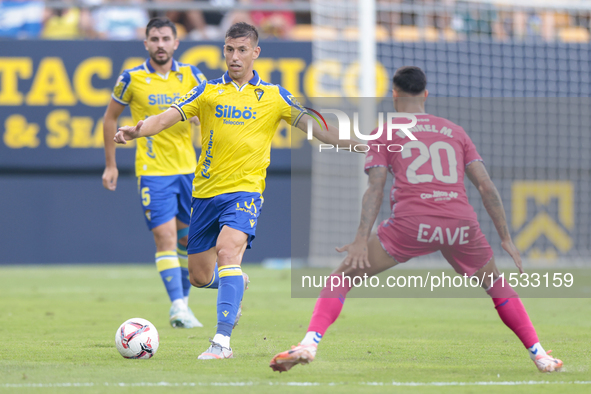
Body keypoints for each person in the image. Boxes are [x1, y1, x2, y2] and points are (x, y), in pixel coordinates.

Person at [269, 66, 563, 373]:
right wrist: (505, 237)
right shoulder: (455, 131)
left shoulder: (386, 132)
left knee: (341, 278)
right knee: (496, 285)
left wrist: (359, 239)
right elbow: (486, 186)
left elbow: (376, 188)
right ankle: (540, 354)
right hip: (459, 223)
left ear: (394, 94)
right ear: (425, 94)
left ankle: (309, 344)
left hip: (412, 224)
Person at [113, 22, 358, 359]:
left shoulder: (274, 96)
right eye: (229, 49)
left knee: (229, 253)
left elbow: (319, 131)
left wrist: (364, 145)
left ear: (255, 53)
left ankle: (221, 343)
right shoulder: (208, 91)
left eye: (242, 50)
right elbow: (166, 118)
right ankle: (236, 284)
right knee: (199, 276)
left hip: (245, 193)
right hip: (205, 195)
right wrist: (136, 131)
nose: (235, 56)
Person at [102, 17, 207, 329]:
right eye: (155, 39)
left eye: (166, 39)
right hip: (153, 171)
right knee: (165, 237)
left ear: (176, 43)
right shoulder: (131, 78)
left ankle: (183, 306)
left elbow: (209, 111)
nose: (160, 45)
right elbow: (110, 118)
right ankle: (177, 306)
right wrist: (111, 163)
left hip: (189, 170)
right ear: (145, 43)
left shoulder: (191, 75)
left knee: (188, 242)